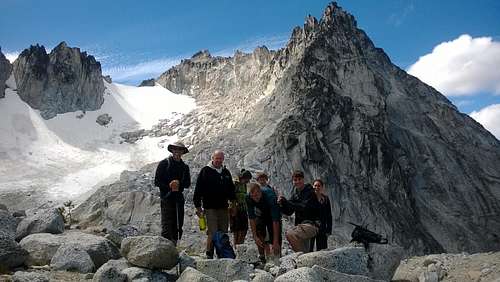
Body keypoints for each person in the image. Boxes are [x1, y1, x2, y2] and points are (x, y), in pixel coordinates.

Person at [193, 150, 236, 259]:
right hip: (210, 207)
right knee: (213, 231)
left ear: (223, 159)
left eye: (220, 158)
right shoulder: (205, 171)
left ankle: (222, 255)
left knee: (223, 232)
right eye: (217, 158)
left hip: (223, 207)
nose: (218, 160)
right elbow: (198, 190)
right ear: (212, 158)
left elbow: (231, 190)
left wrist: (233, 204)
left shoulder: (226, 172)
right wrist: (198, 207)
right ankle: (209, 254)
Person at [154, 141, 190, 245]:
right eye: (175, 149)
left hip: (178, 199)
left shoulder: (184, 167)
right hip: (167, 198)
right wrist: (169, 186)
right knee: (167, 223)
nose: (177, 152)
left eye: (180, 150)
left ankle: (173, 247)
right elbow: (157, 181)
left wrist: (179, 184)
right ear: (172, 150)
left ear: (183, 152)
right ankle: (165, 248)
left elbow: (187, 183)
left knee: (178, 224)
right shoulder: (164, 163)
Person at [278, 170, 320, 253]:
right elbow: (289, 211)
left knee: (290, 234)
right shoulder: (296, 194)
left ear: (303, 179)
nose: (297, 182)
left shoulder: (310, 192)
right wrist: (281, 204)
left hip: (311, 224)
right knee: (307, 251)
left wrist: (286, 202)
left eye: (299, 179)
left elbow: (303, 207)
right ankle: (306, 261)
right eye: (295, 180)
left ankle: (302, 258)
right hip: (301, 226)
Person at [246, 182, 282, 263]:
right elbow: (251, 218)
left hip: (272, 213)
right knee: (259, 231)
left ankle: (277, 258)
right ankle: (263, 258)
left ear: (260, 192)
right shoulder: (248, 197)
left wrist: (276, 241)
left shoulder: (270, 196)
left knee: (275, 239)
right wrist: (255, 236)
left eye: (256, 195)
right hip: (261, 214)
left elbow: (275, 220)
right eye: (253, 196)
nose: (255, 198)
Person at [230, 169, 252, 245]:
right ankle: (236, 246)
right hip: (235, 209)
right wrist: (233, 207)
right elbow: (231, 196)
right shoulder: (235, 184)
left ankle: (240, 244)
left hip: (243, 209)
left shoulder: (244, 185)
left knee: (244, 229)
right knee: (236, 230)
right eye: (247, 179)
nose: (247, 181)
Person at [310, 179, 332, 251]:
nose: (317, 187)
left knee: (322, 250)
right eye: (315, 185)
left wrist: (329, 229)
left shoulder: (325, 199)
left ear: (322, 187)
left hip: (322, 227)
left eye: (319, 186)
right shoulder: (310, 198)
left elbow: (329, 215)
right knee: (309, 248)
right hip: (311, 226)